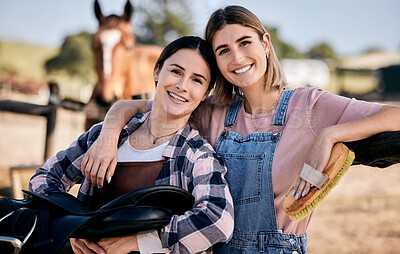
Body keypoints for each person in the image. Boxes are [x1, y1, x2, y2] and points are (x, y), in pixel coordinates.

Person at [81, 5, 400, 254]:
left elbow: (394, 116)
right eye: (223, 50)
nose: (237, 57)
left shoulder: (309, 105)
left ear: (265, 43)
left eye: (244, 42)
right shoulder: (213, 113)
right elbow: (136, 106)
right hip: (210, 247)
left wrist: (331, 135)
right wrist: (109, 134)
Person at [29, 36, 234, 254]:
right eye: (176, 71)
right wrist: (71, 226)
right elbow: (44, 178)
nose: (182, 86)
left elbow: (219, 220)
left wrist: (141, 241)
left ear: (205, 94)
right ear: (157, 71)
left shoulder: (197, 155)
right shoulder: (106, 137)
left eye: (197, 80)